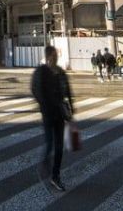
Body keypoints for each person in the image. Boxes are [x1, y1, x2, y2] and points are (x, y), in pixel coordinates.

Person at [31, 45, 73, 193]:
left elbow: (68, 90)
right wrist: (44, 105)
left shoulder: (61, 72)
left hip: (60, 114)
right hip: (48, 114)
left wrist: (71, 110)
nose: (56, 57)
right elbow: (35, 89)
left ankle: (55, 176)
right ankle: (45, 165)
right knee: (50, 143)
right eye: (54, 55)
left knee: (59, 146)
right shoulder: (41, 71)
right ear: (48, 56)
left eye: (56, 55)